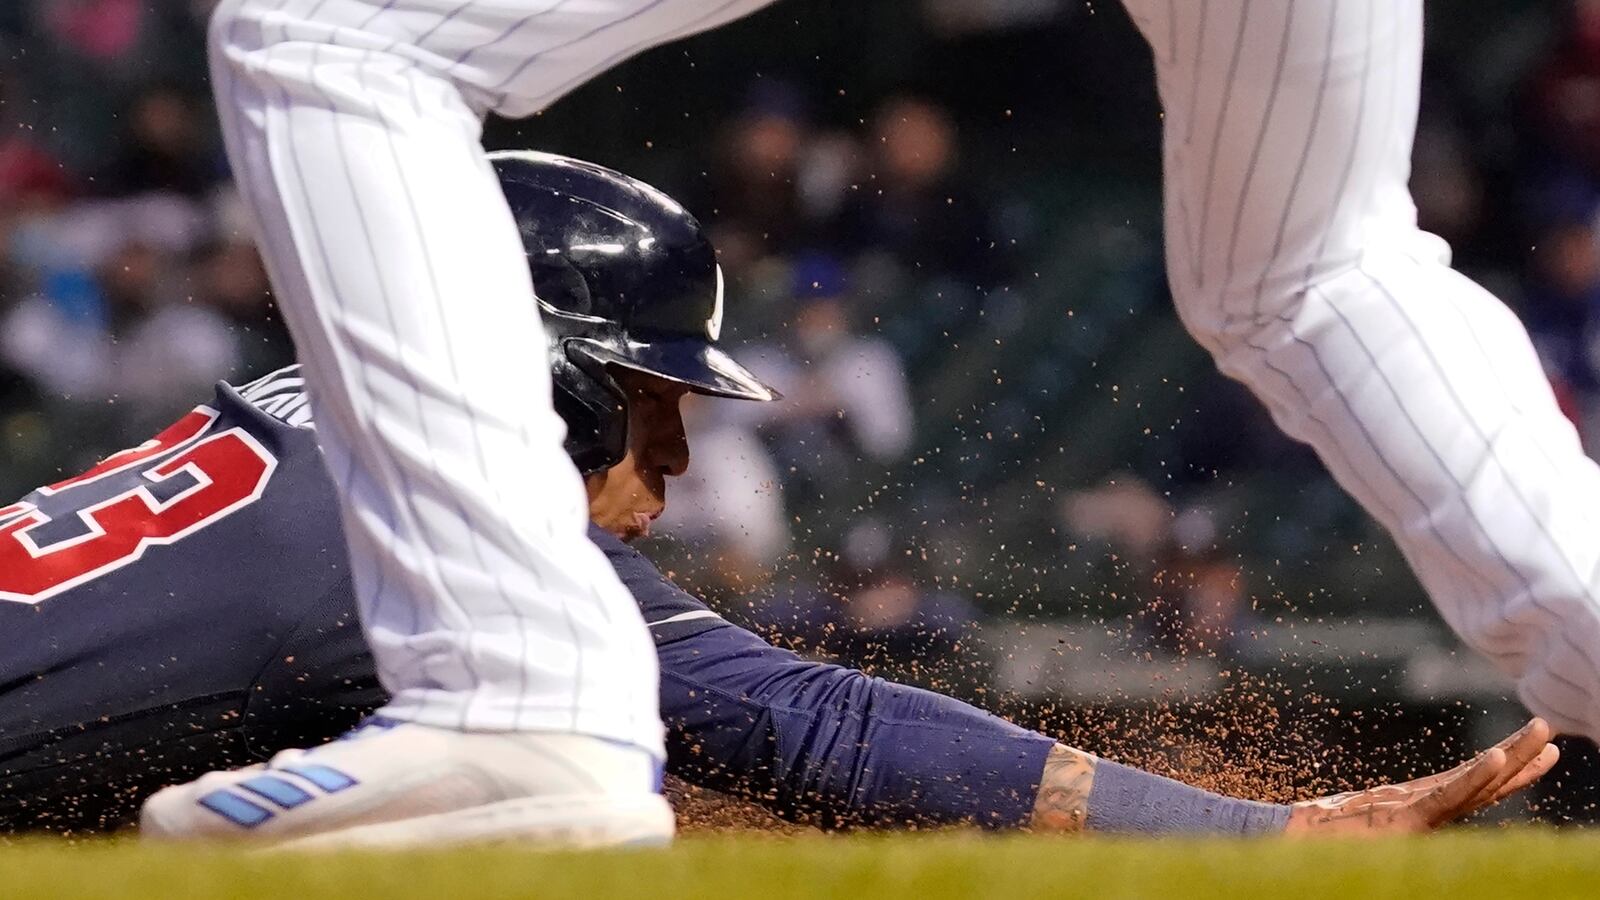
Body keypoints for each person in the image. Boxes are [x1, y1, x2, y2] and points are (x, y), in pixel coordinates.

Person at [0, 153, 1555, 843]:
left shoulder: (290, 422)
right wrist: (1261, 840)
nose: (667, 471)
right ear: (549, 380)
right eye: (653, 410)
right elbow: (827, 728)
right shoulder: (430, 529)